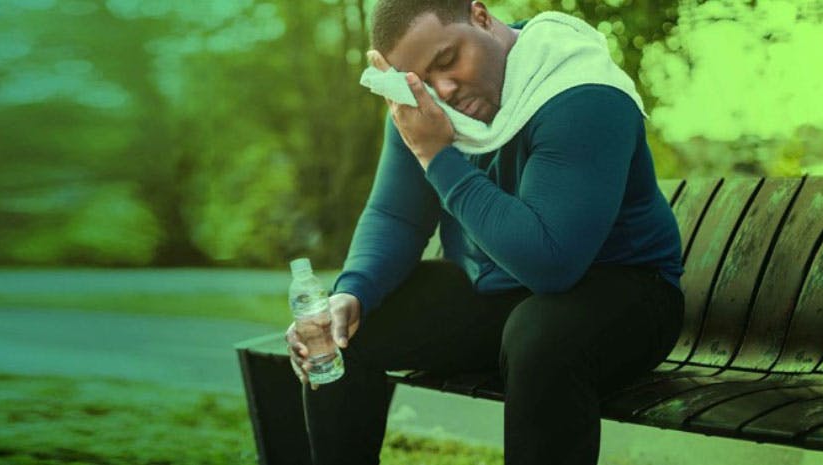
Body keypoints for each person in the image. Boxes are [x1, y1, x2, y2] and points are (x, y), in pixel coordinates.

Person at [285, 1, 686, 464]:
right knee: (347, 329)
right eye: (422, 82)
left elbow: (551, 263)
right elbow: (397, 216)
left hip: (624, 292)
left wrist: (438, 157)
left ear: (480, 17)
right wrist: (352, 292)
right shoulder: (420, 106)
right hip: (502, 293)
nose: (445, 90)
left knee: (540, 335)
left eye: (447, 59)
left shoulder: (579, 89)